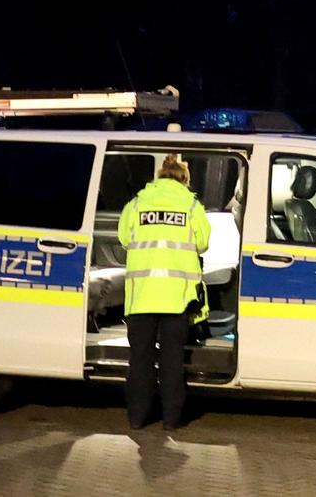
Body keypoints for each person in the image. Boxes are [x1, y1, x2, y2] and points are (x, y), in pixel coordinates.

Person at [119, 152, 211, 431]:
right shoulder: (192, 206)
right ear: (184, 179)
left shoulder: (135, 205)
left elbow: (124, 240)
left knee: (141, 360)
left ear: (159, 177)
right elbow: (203, 243)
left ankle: (137, 418)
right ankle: (171, 420)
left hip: (142, 297)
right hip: (177, 297)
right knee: (171, 360)